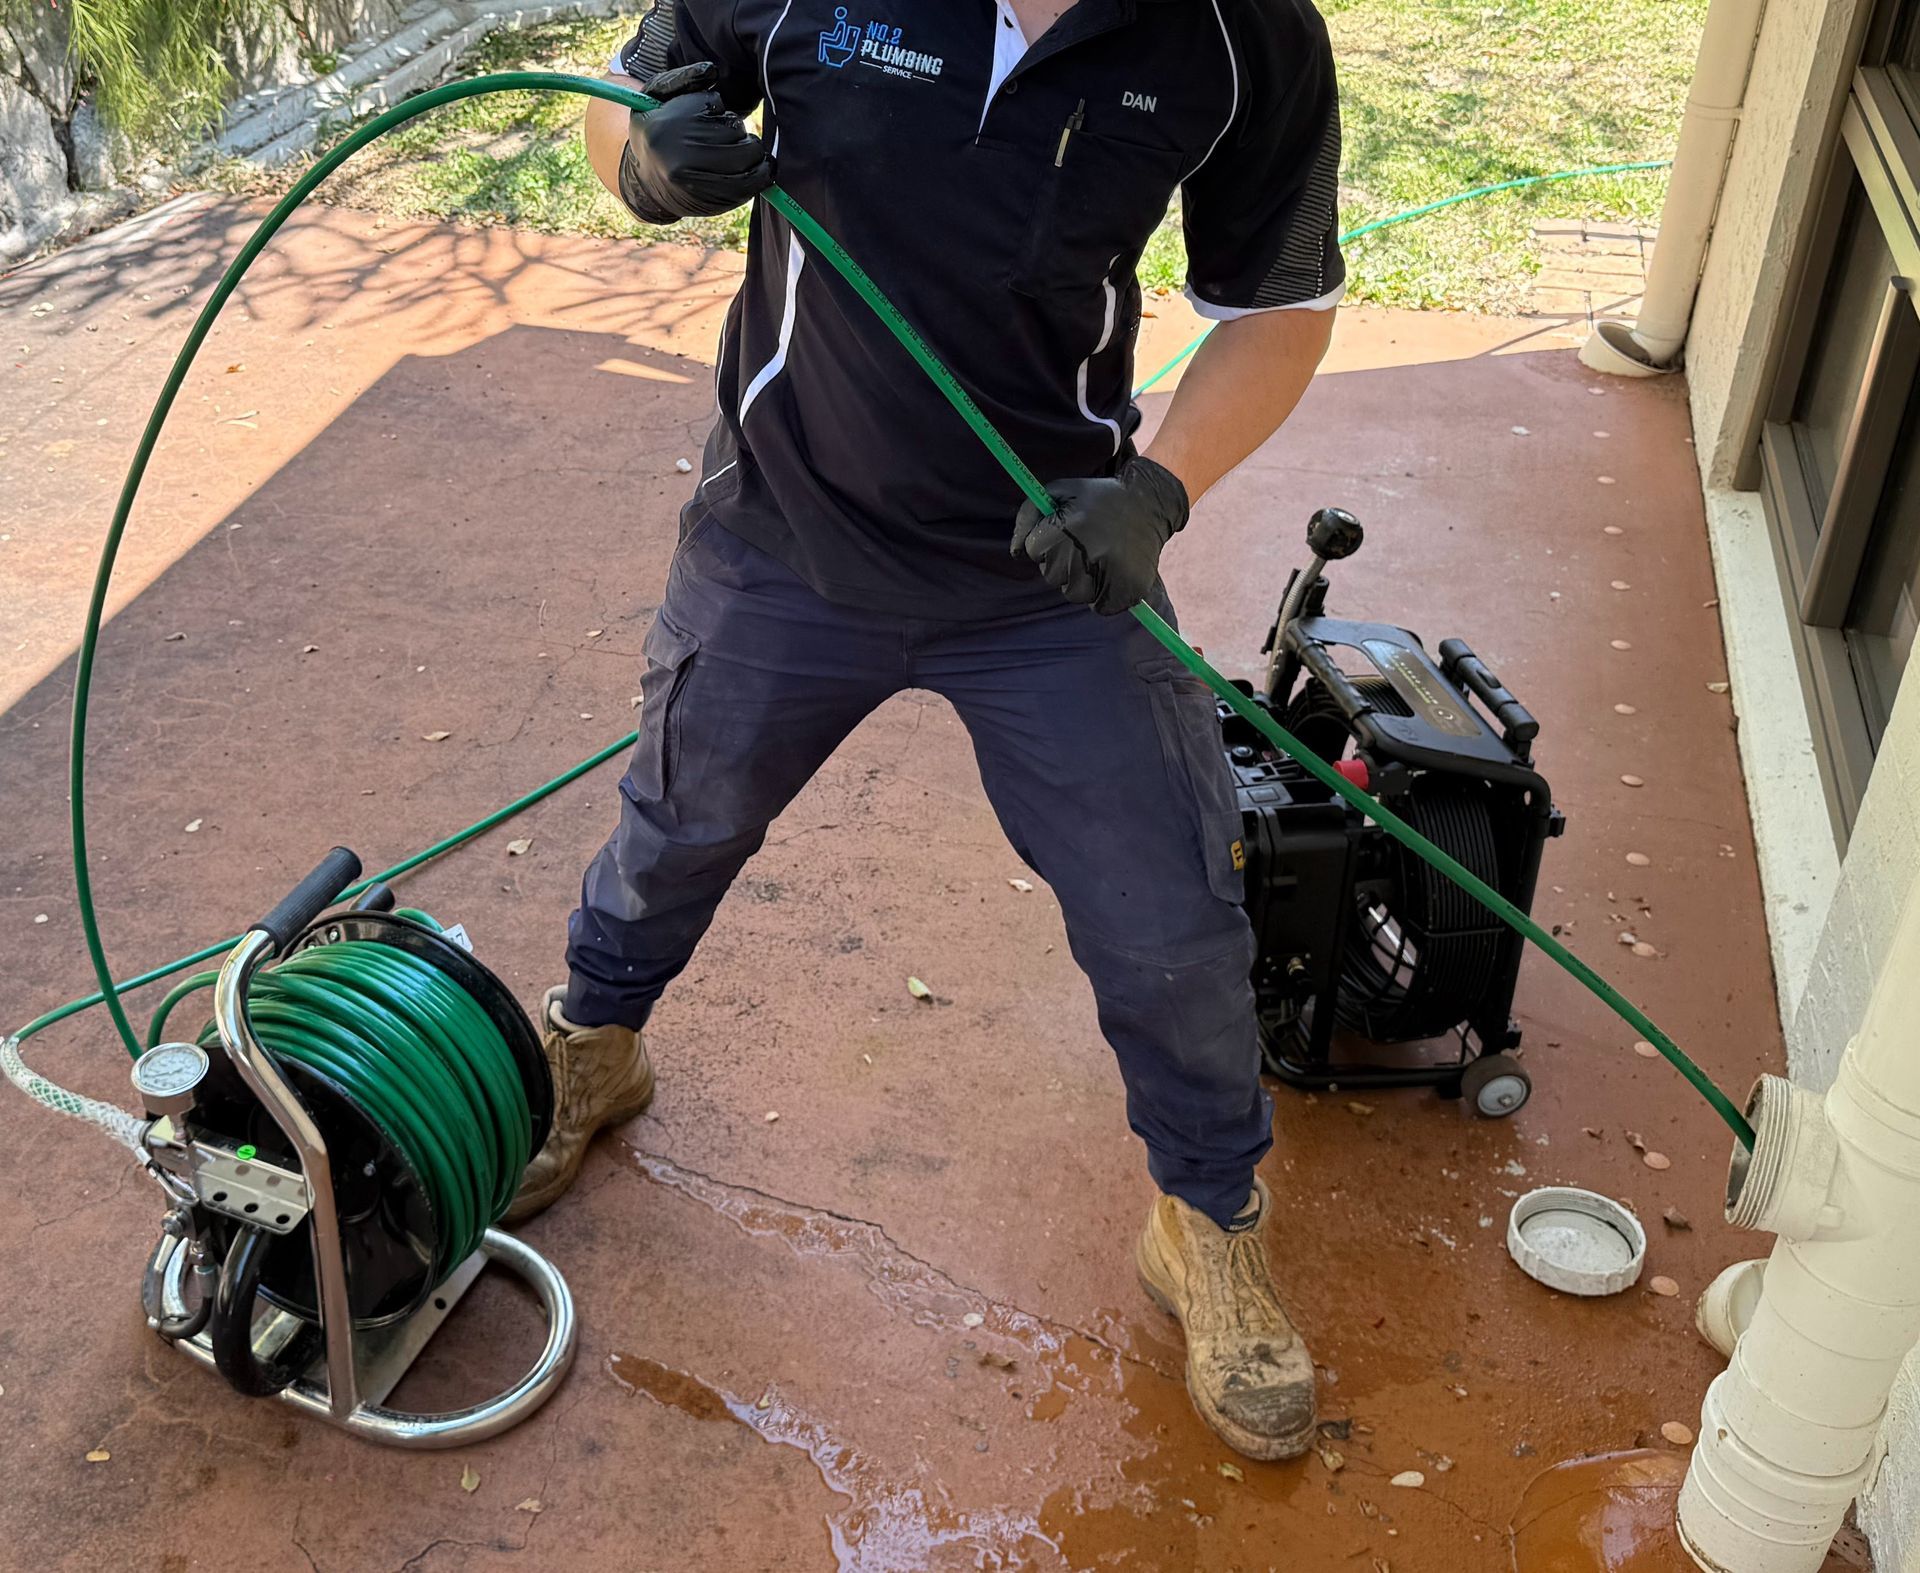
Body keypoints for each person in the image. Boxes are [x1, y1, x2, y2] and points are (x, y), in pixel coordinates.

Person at [511, 0, 1343, 1462]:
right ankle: (598, 1040)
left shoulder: (1238, 33)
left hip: (1046, 565)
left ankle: (1205, 1216)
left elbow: (1278, 310)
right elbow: (609, 104)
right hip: (786, 528)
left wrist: (1158, 493)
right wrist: (643, 160)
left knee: (1170, 909)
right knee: (680, 811)